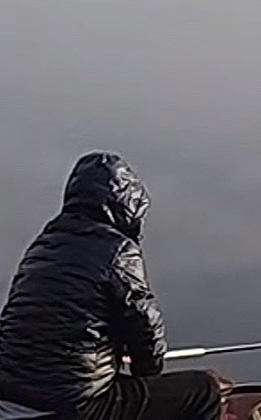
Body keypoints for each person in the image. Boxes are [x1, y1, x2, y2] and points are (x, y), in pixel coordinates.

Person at [0, 153, 226, 420]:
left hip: (10, 395)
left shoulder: (43, 247)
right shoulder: (118, 251)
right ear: (127, 205)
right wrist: (146, 376)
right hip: (71, 406)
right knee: (203, 390)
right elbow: (145, 327)